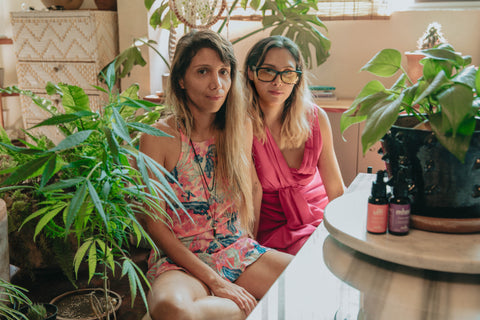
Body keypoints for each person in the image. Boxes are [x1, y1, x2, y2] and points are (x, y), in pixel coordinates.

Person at [139, 30, 292, 320]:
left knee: (312, 278)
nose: (217, 84)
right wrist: (216, 281)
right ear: (181, 80)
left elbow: (253, 188)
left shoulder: (240, 126)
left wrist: (249, 240)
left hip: (237, 250)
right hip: (182, 260)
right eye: (203, 72)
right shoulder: (158, 136)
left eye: (224, 72)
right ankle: (252, 307)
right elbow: (155, 225)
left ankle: (233, 307)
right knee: (169, 308)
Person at [244, 36, 345, 255]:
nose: (278, 82)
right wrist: (247, 249)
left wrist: (349, 236)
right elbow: (251, 195)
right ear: (251, 72)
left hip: (319, 220)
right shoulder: (242, 125)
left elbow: (336, 189)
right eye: (268, 71)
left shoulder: (317, 118)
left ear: (297, 77)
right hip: (271, 230)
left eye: (288, 73)